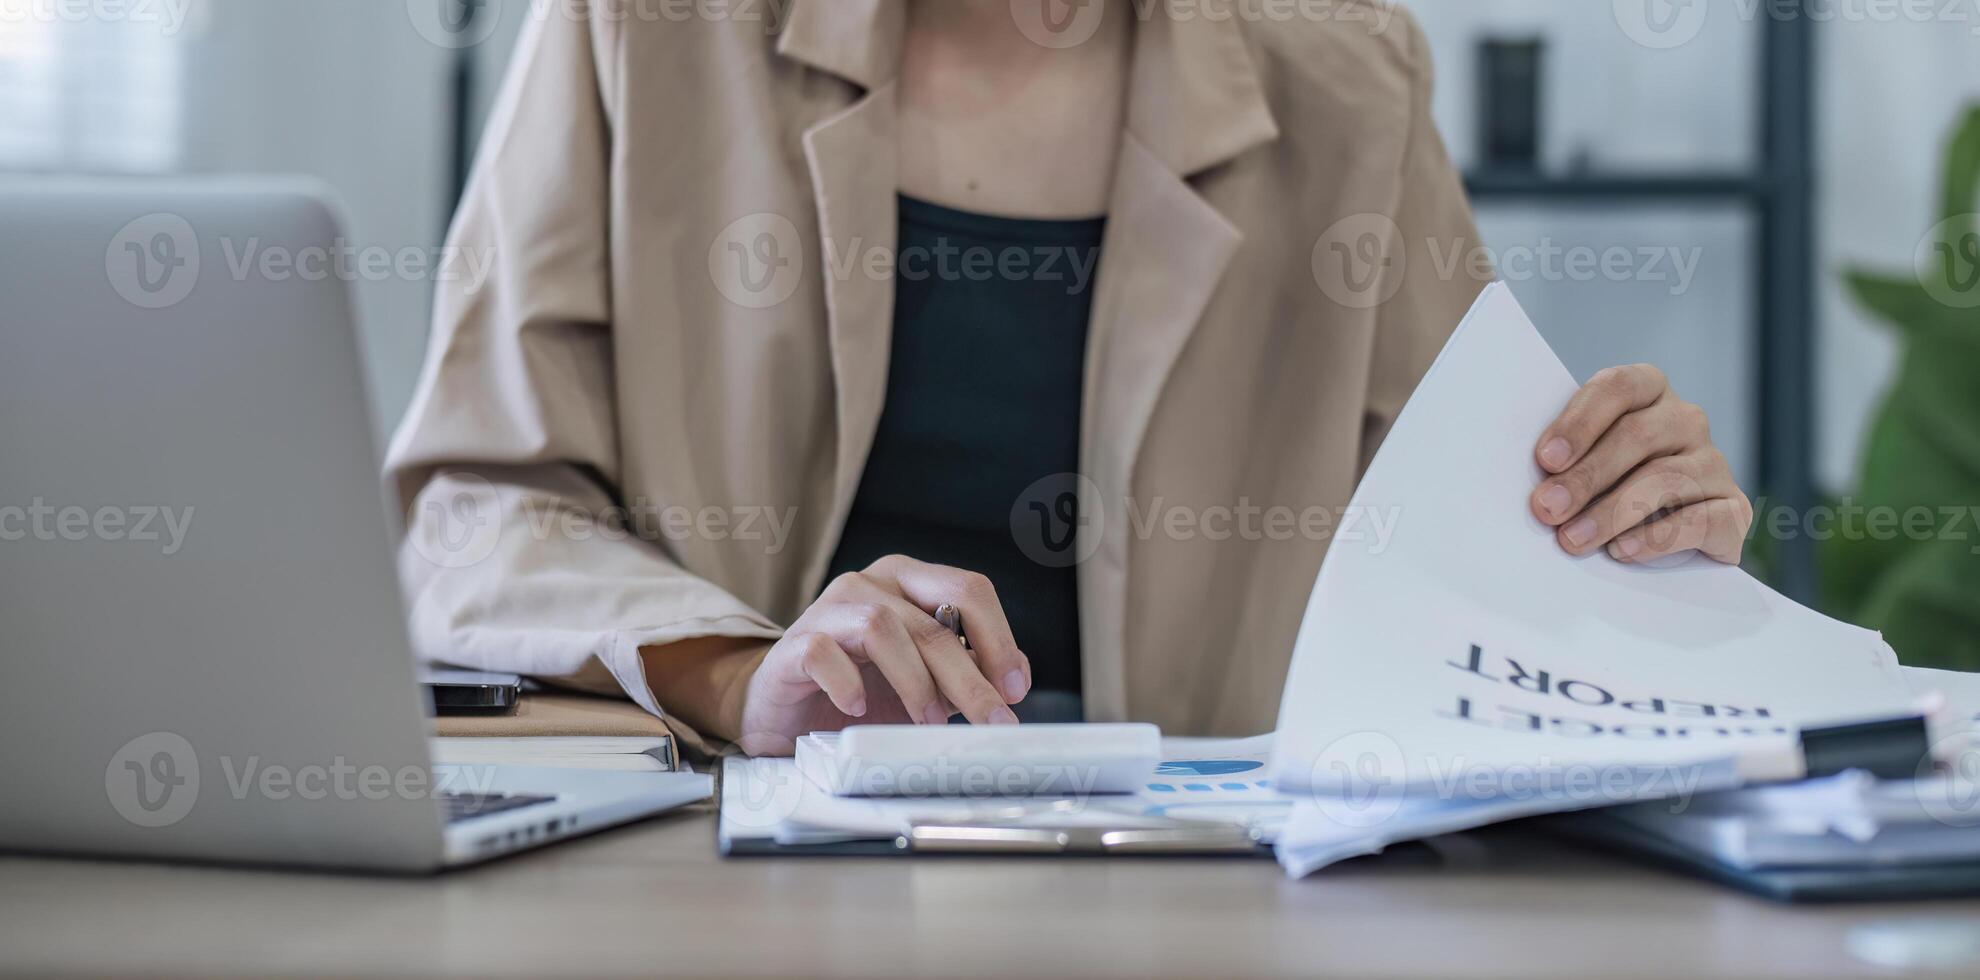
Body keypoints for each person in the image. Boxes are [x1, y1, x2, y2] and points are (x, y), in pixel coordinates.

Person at [386, 0, 1752, 756]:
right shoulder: (647, 29)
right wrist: (744, 671)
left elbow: (1496, 560)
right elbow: (471, 510)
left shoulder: (1348, 74)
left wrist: (1640, 532)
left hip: (1213, 883)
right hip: (730, 848)